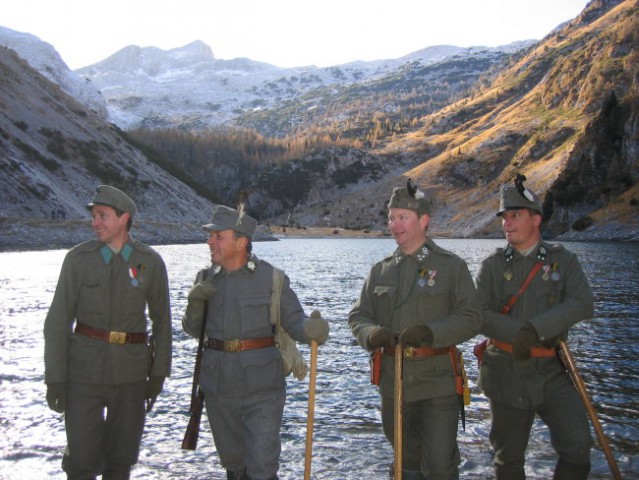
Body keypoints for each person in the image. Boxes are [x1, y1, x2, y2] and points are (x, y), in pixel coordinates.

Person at [182, 204, 330, 480]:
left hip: (262, 389)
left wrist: (311, 329)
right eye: (210, 236)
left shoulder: (271, 279)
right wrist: (194, 302)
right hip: (218, 388)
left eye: (218, 236)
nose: (210, 241)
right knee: (234, 467)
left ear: (241, 242)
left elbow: (295, 320)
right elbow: (192, 329)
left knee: (261, 467)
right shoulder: (204, 278)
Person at [349, 180, 481, 480]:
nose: (394, 225)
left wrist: (431, 333)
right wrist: (371, 334)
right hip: (393, 383)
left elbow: (472, 316)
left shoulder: (451, 267)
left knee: (439, 466)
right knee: (405, 464)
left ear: (424, 220)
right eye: (391, 218)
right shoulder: (380, 270)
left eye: (402, 217)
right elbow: (359, 314)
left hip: (437, 383)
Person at [44, 185, 172, 480]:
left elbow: (162, 322)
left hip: (130, 376)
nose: (95, 222)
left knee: (120, 460)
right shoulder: (78, 260)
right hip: (83, 375)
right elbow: (57, 321)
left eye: (102, 216)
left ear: (123, 218)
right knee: (81, 461)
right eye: (94, 216)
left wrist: (158, 374)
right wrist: (55, 378)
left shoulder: (149, 262)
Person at [474, 175, 594, 479]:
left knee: (578, 446)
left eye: (515, 215)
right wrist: (519, 335)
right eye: (504, 217)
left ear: (536, 220)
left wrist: (536, 329)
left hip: (552, 370)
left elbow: (582, 303)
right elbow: (478, 314)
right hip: (505, 370)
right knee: (509, 459)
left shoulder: (563, 261)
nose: (507, 223)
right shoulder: (492, 265)